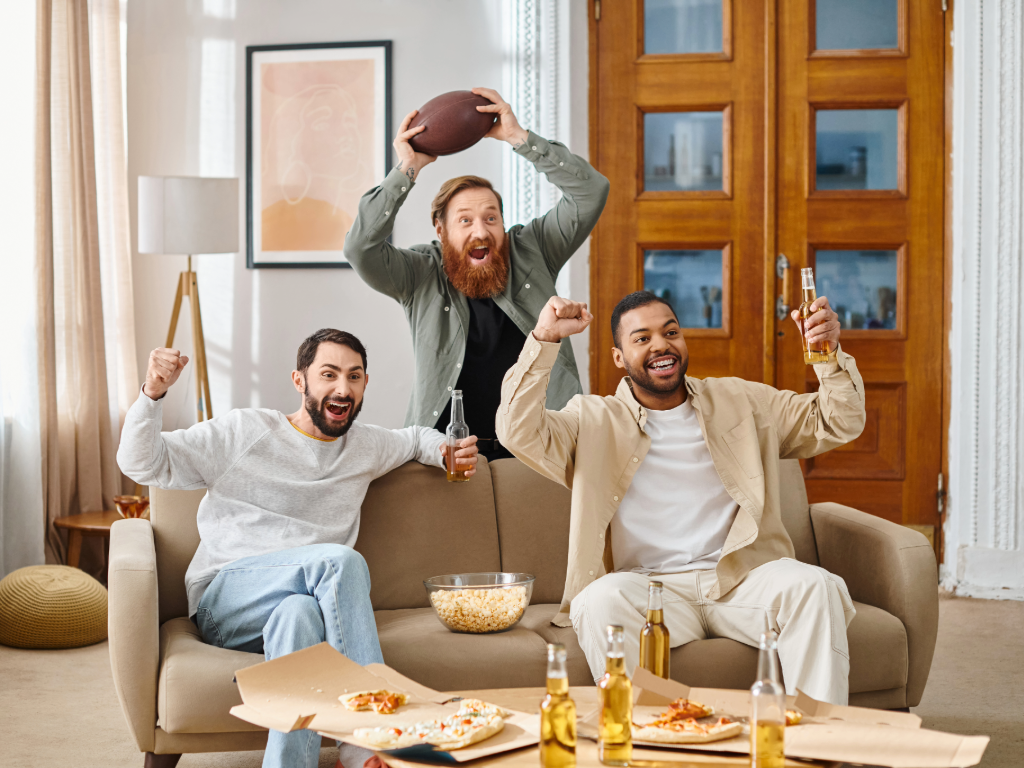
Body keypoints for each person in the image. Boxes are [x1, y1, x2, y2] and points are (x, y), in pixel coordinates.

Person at [117, 328, 479, 768]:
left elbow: (416, 437)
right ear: (299, 380)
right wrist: (153, 392)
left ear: (365, 385)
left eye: (354, 376)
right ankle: (368, 738)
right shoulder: (244, 431)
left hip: (294, 603)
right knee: (337, 561)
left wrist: (445, 451)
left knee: (301, 616)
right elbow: (142, 462)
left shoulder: (365, 446)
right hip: (226, 600)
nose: (342, 388)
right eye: (328, 374)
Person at [496, 291, 866, 705]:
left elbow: (837, 420)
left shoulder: (742, 401)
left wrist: (829, 355)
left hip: (741, 581)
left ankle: (816, 746)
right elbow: (517, 431)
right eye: (642, 338)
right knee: (598, 600)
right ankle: (656, 735)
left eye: (670, 332)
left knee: (814, 585)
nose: (661, 344)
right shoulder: (592, 420)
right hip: (649, 590)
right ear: (619, 358)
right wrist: (544, 338)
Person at [344, 87, 609, 461]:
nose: (480, 232)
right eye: (465, 221)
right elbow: (359, 248)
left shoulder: (533, 249)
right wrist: (409, 168)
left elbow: (591, 192)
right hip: (447, 455)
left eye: (490, 218)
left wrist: (519, 138)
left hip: (539, 447)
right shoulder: (419, 273)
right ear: (440, 230)